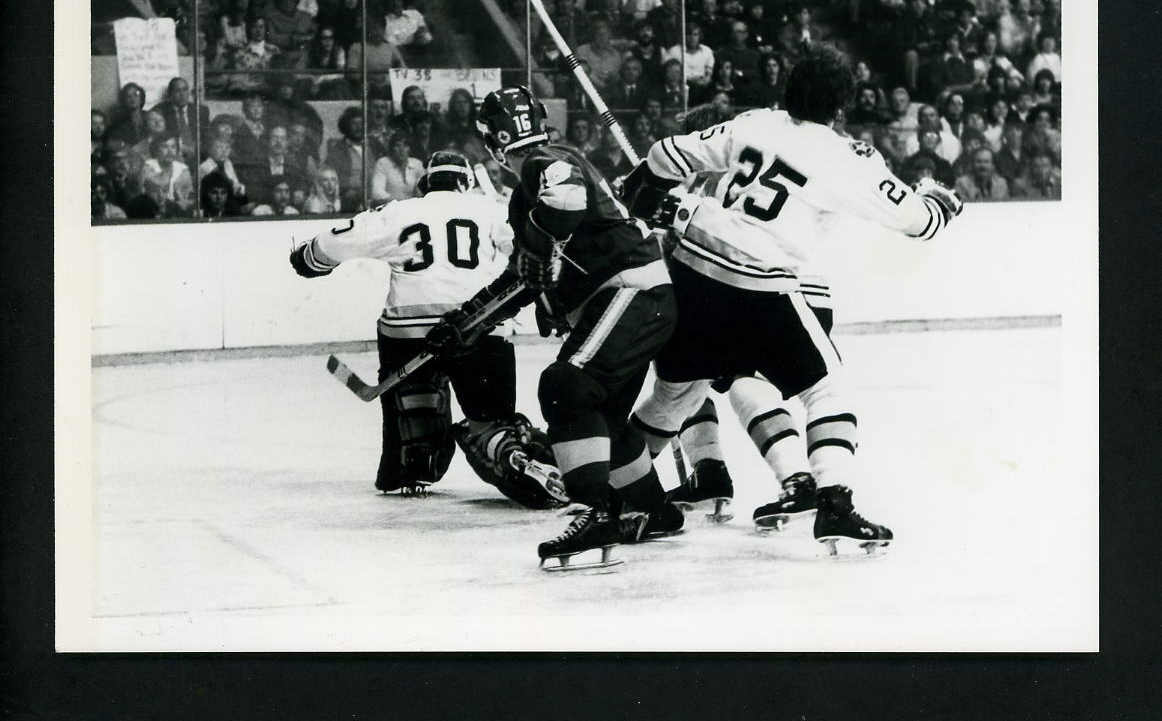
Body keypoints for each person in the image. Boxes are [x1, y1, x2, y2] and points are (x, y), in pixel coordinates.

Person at [621, 44, 963, 555]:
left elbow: (664, 155)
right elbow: (921, 223)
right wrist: (941, 201)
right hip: (758, 282)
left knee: (675, 397)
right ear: (842, 107)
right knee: (827, 391)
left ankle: (622, 498)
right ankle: (835, 504)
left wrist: (642, 190)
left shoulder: (754, 123)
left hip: (692, 269)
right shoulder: (847, 157)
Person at [426, 86, 681, 570]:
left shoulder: (546, 161)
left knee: (566, 386)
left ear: (490, 141)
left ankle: (593, 512)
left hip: (631, 293)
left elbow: (564, 207)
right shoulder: (531, 189)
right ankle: (654, 509)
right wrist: (468, 321)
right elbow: (526, 276)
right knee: (599, 417)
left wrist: (538, 250)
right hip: (638, 300)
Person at [289, 152, 565, 508]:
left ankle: (413, 465)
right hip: (480, 324)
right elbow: (531, 256)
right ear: (465, 183)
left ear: (426, 185)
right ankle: (507, 449)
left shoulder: (401, 211)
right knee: (490, 422)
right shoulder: (490, 209)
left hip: (408, 331)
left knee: (415, 438)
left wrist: (310, 259)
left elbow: (334, 242)